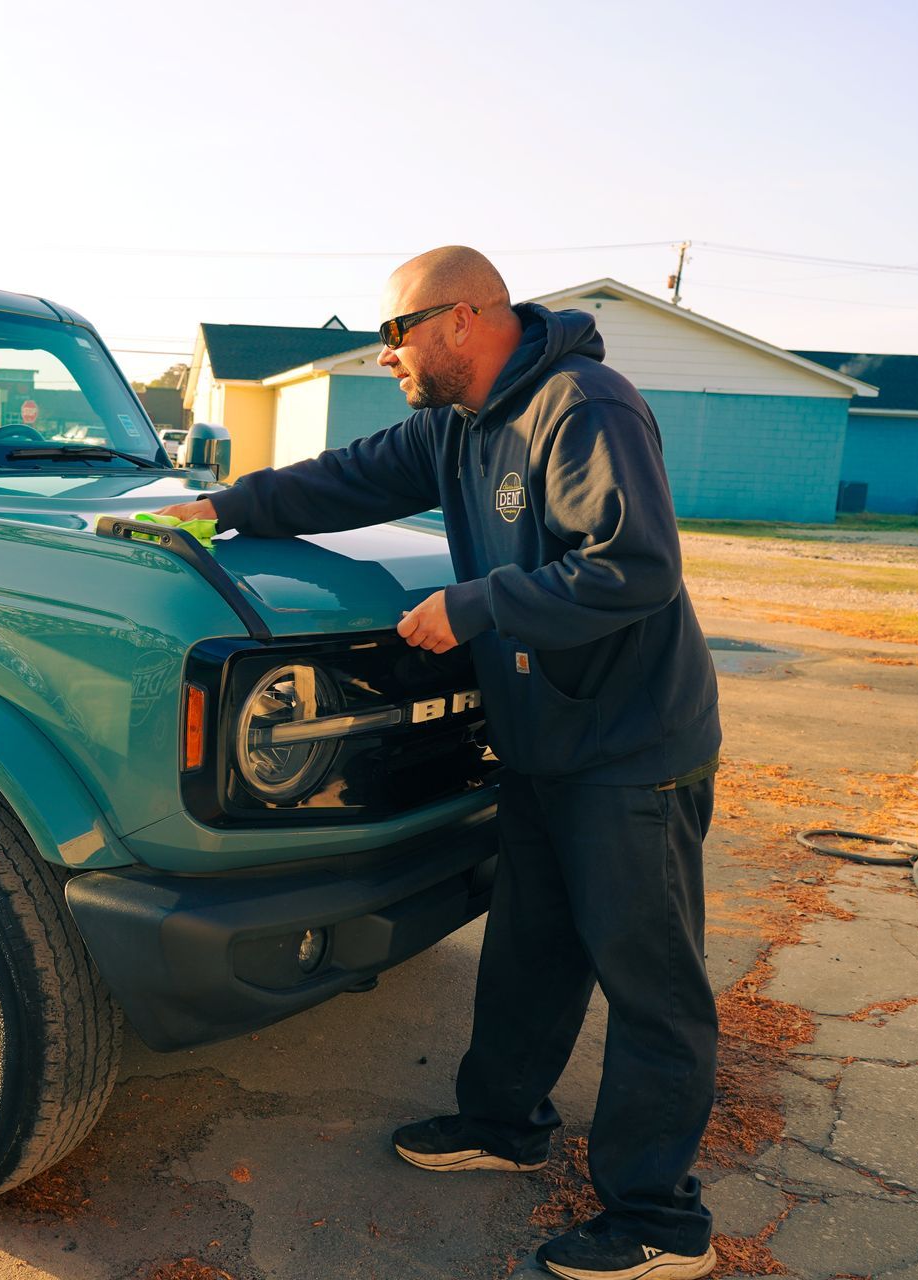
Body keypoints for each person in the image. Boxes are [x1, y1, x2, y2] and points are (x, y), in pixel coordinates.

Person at [156, 246, 722, 1280]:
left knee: (652, 986)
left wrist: (476, 605)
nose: (386, 355)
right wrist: (225, 507)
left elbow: (635, 567)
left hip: (632, 749)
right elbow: (349, 477)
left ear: (462, 318)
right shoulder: (459, 422)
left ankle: (658, 1219)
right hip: (546, 743)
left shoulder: (582, 406)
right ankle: (504, 1124)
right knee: (530, 950)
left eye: (396, 332)